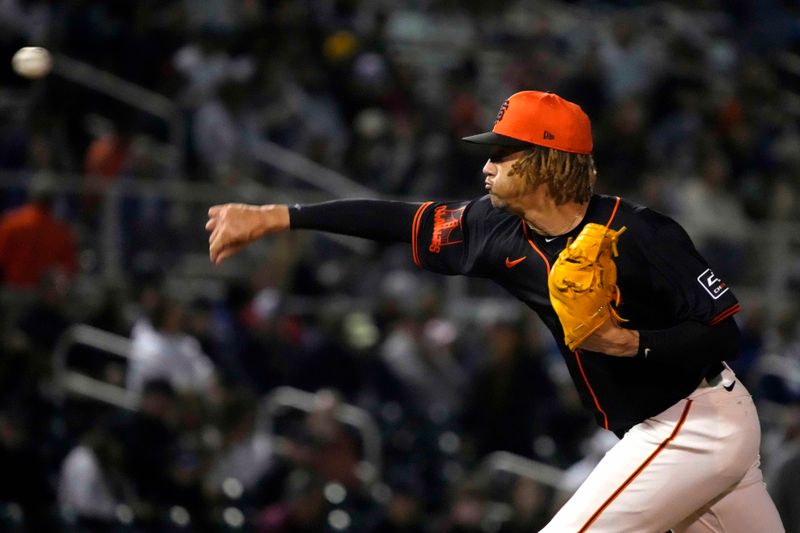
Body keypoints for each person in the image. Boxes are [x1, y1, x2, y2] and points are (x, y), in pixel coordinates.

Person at [206, 90, 784, 532]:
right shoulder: (493, 228)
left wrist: (631, 343)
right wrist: (280, 215)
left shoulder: (642, 232)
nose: (487, 164)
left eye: (503, 153)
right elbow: (398, 220)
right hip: (667, 428)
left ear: (547, 161)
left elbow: (724, 334)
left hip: (694, 418)